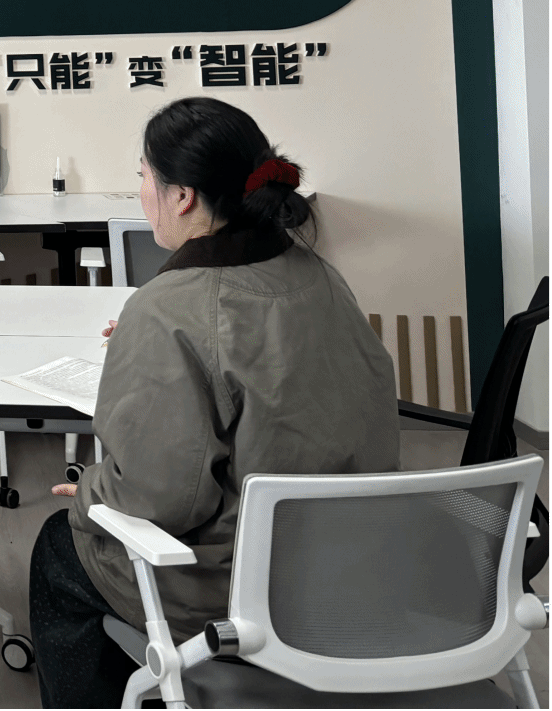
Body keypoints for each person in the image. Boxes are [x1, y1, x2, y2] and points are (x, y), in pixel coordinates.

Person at [28, 98, 399, 709]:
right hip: (356, 561)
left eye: (143, 177)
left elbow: (161, 501)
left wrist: (92, 490)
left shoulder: (168, 308)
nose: (141, 192)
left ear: (182, 197)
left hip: (243, 590)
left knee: (59, 548)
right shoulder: (320, 275)